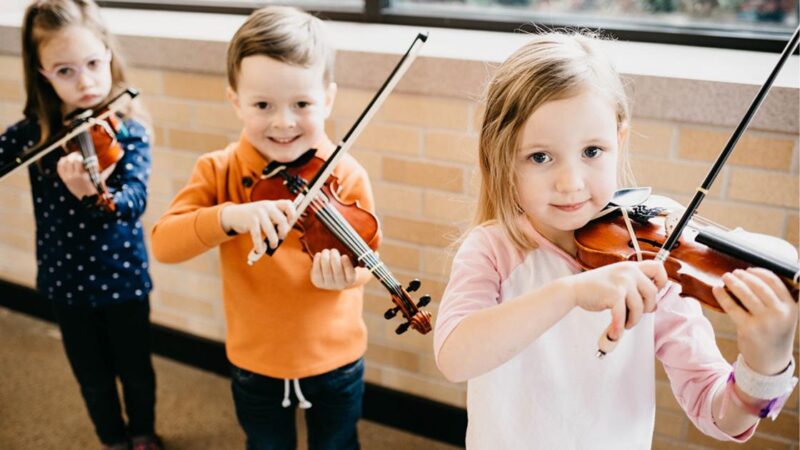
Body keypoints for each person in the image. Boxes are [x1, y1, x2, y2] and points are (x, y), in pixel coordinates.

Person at [433, 31, 798, 449]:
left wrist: (763, 366)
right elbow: (456, 357)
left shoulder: (653, 259)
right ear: (501, 159)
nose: (570, 183)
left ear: (618, 141)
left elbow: (715, 412)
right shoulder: (492, 250)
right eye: (540, 157)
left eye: (592, 151)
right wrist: (570, 292)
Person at [150, 6, 376, 450]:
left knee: (337, 444)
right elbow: (164, 244)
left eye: (302, 104)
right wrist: (229, 216)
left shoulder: (343, 175)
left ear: (327, 99)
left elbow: (368, 258)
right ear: (235, 100)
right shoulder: (220, 171)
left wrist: (349, 276)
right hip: (255, 362)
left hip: (335, 360)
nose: (283, 122)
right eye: (262, 105)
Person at [0, 1, 160, 449]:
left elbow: (134, 200)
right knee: (91, 376)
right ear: (43, 74)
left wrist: (96, 197)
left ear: (108, 54)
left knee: (136, 370)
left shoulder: (129, 131)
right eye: (65, 70)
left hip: (122, 276)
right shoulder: (33, 135)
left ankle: (143, 433)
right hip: (65, 278)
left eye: (93, 63)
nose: (85, 80)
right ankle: (112, 438)